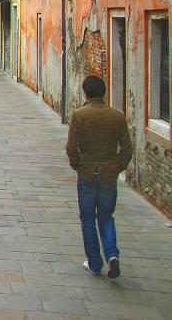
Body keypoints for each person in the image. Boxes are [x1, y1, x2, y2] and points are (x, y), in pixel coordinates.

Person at [65, 74, 133, 278]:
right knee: (106, 216)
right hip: (108, 173)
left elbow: (71, 147)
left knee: (87, 219)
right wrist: (116, 167)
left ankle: (95, 262)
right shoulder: (117, 116)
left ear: (85, 93)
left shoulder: (79, 115)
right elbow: (127, 149)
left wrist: (78, 165)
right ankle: (112, 255)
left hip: (87, 171)